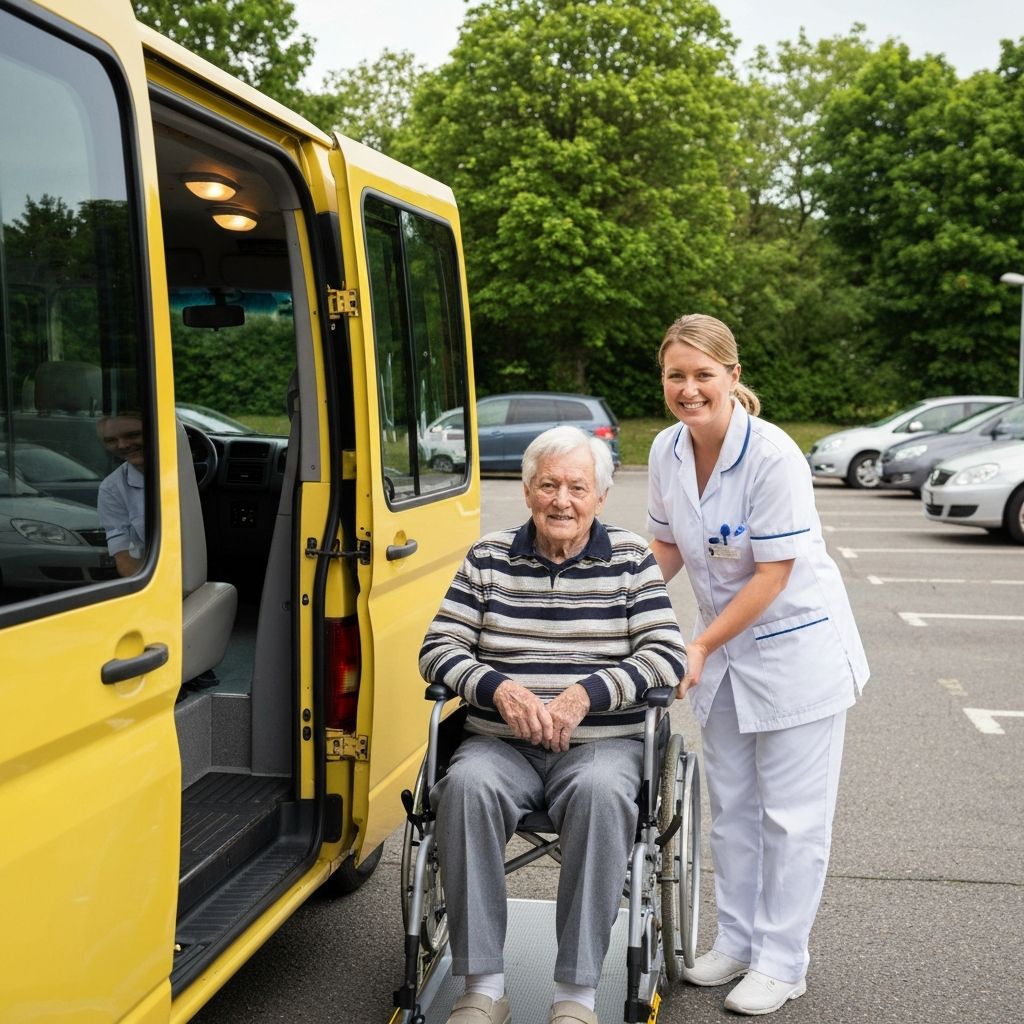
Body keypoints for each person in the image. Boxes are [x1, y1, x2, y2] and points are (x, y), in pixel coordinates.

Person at [420, 426, 687, 1024]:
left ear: (599, 497)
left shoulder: (630, 560)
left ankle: (575, 995)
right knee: (463, 788)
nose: (561, 500)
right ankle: (483, 987)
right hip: (499, 744)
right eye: (549, 485)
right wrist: (498, 687)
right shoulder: (487, 557)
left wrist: (584, 696)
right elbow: (438, 648)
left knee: (599, 795)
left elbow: (667, 655)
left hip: (600, 746)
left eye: (576, 487)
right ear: (527, 490)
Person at [646, 314, 869, 1016]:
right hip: (722, 657)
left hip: (794, 656)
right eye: (676, 376)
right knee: (733, 813)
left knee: (793, 820)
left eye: (703, 375)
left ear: (733, 377)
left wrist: (701, 644)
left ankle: (783, 960)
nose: (689, 389)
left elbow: (773, 573)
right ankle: (737, 941)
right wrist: (624, 614)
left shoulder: (773, 455)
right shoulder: (664, 451)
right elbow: (665, 551)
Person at [96, 413, 146, 577]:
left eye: (133, 435)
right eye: (111, 440)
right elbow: (126, 561)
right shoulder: (111, 489)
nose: (123, 445)